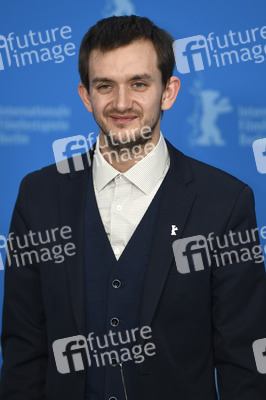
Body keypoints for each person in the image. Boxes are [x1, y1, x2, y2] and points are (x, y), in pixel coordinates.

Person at [0, 15, 266, 400]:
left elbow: (245, 363)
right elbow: (23, 353)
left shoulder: (225, 202)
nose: (121, 103)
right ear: (86, 96)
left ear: (169, 92)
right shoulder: (38, 195)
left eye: (139, 84)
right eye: (105, 85)